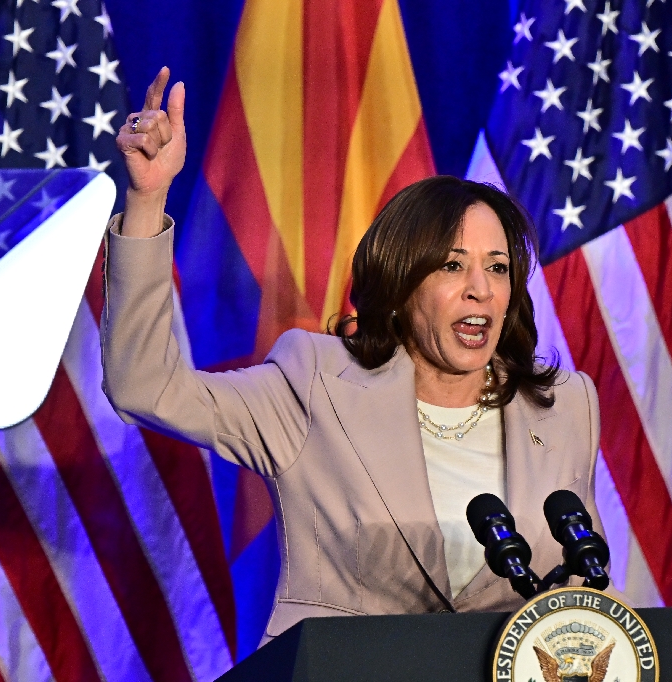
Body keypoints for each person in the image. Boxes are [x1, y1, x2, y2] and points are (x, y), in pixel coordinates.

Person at [106, 67, 603, 643]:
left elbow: (579, 591)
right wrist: (148, 200)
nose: (481, 289)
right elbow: (144, 387)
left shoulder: (564, 407)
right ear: (399, 286)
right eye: (451, 265)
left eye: (498, 267)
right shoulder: (314, 385)